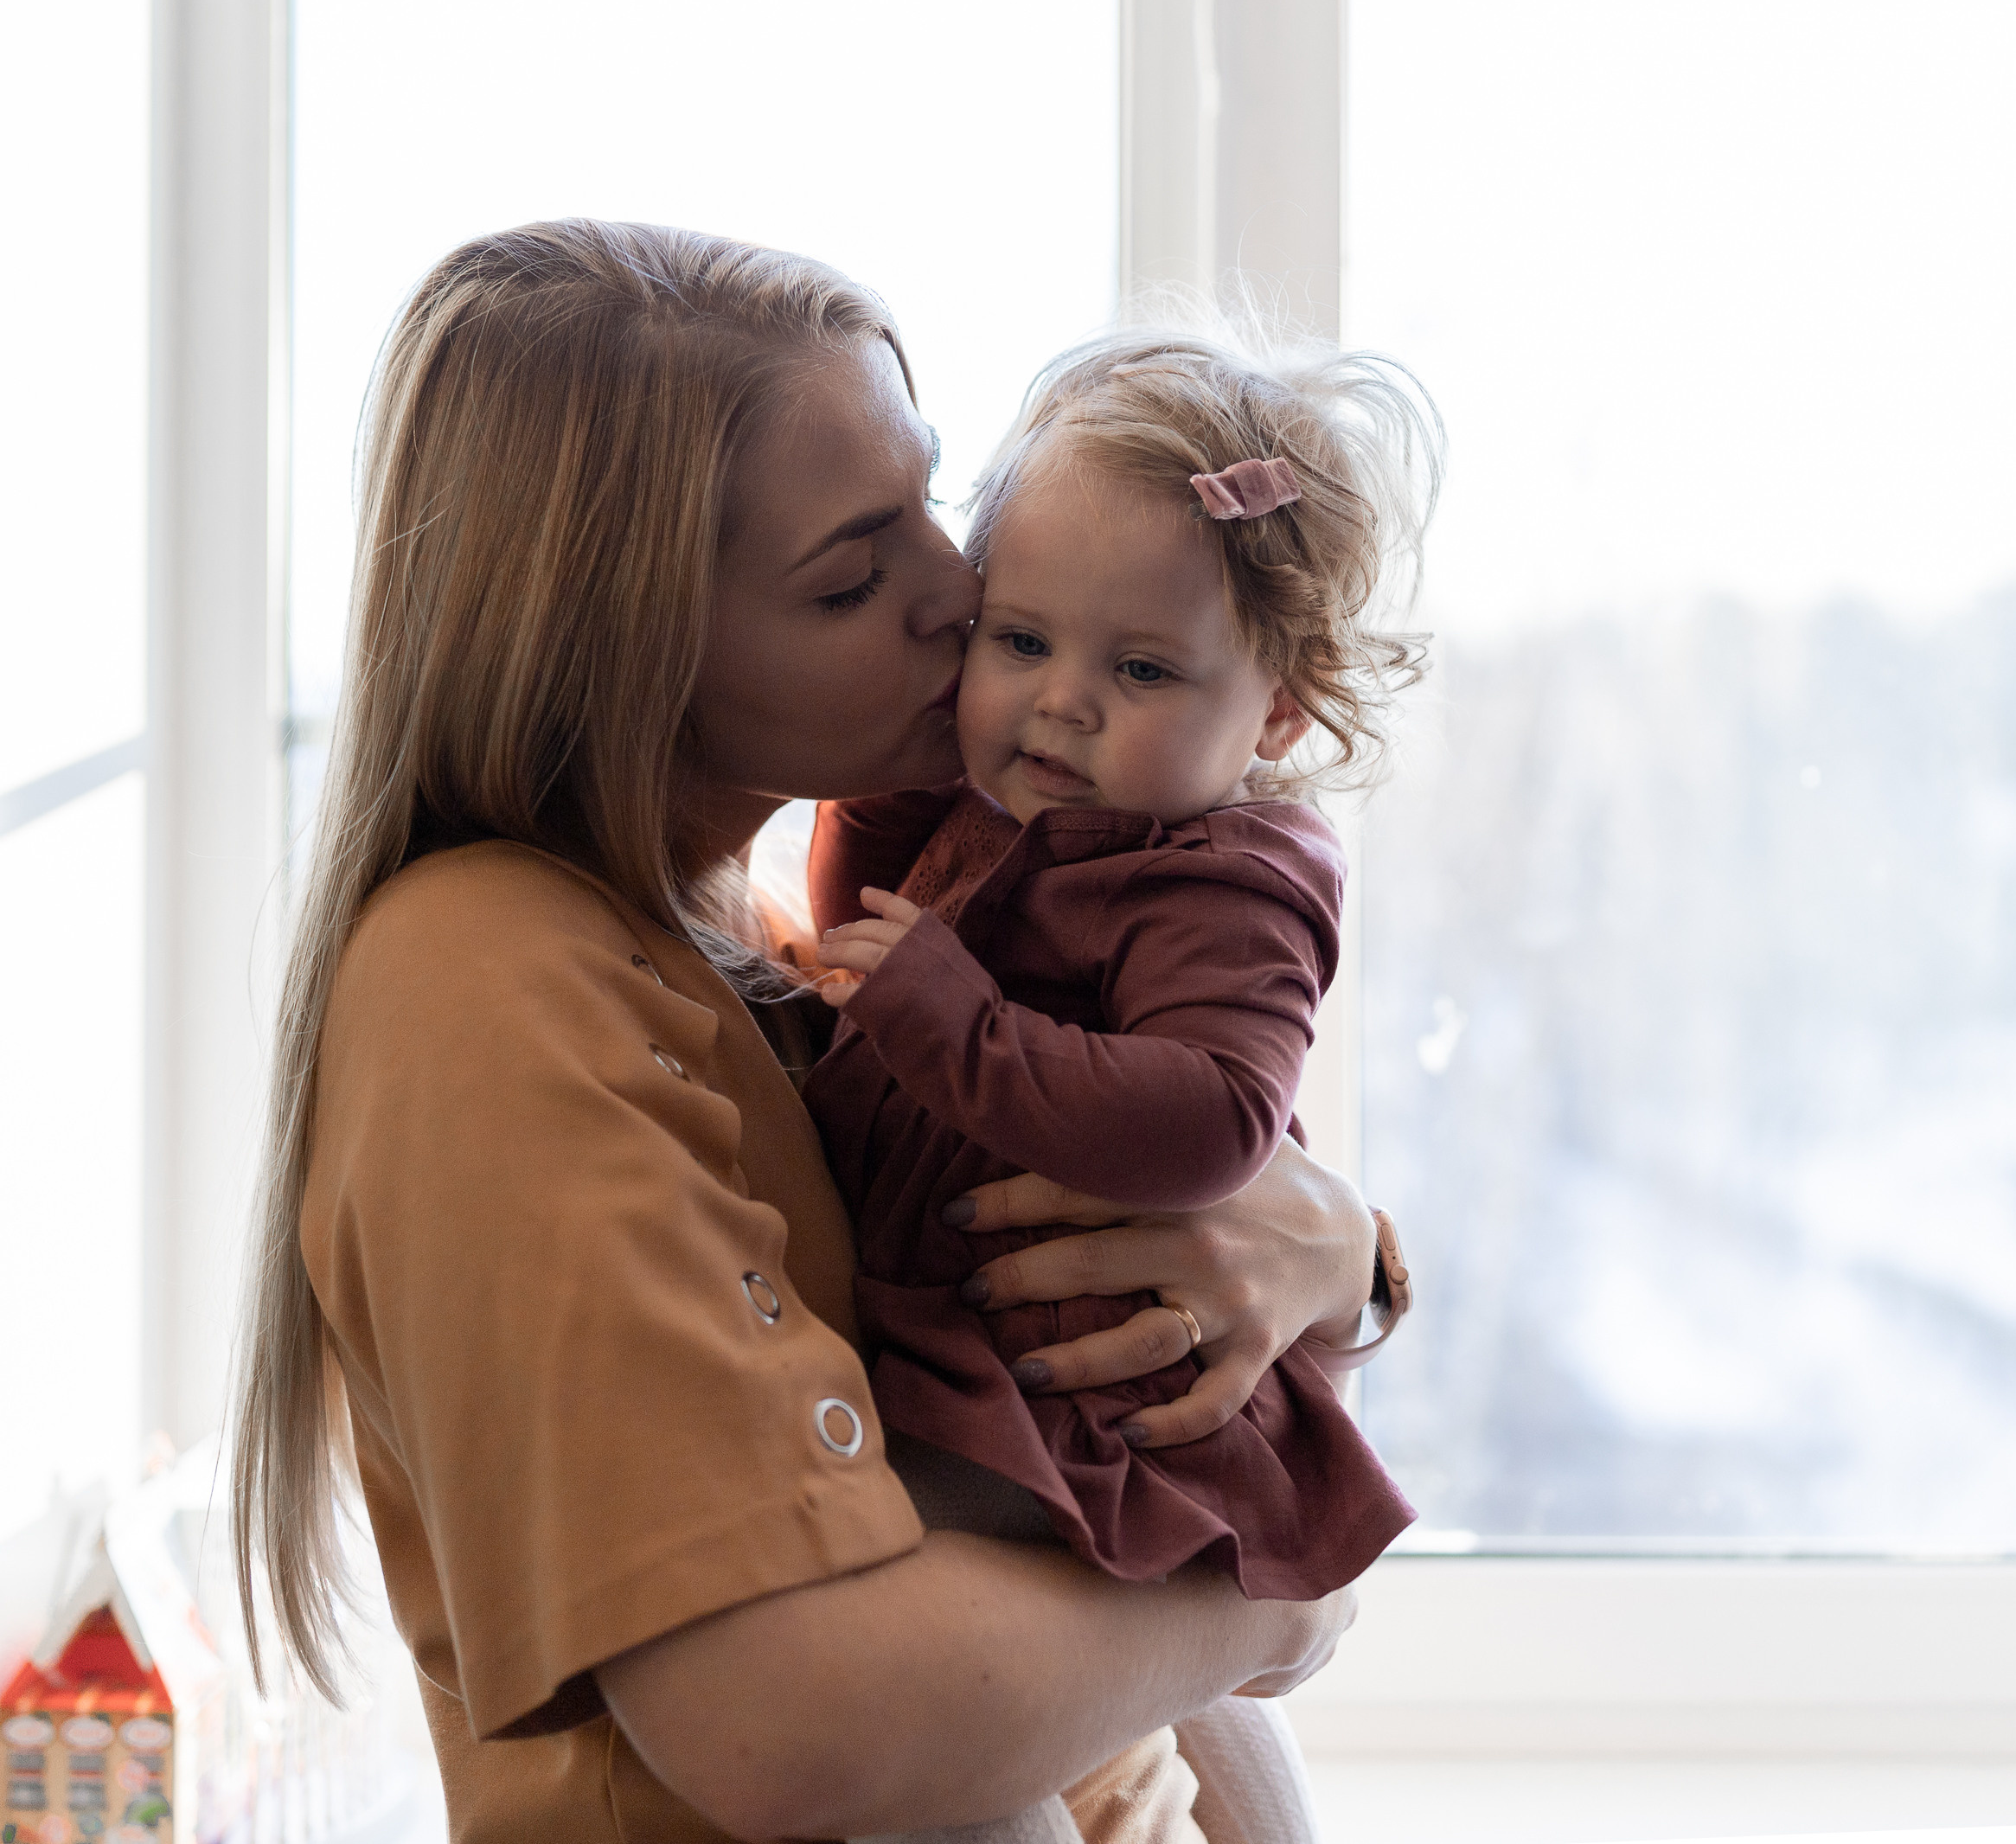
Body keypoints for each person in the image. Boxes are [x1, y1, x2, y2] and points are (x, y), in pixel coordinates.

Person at [230, 221, 1392, 1844]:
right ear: (626, 650)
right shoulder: (488, 985)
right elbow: (788, 1729)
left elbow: (1159, 1138)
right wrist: (1275, 1610)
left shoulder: (769, 934)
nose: (959, 596)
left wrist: (1335, 1250)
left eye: (936, 505)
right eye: (853, 574)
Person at [804, 327, 1437, 1844]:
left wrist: (953, 1024)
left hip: (1088, 1394)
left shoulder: (1233, 883)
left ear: (1279, 713)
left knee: (956, 1684)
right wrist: (882, 789)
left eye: (1141, 668)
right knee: (1075, 1709)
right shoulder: (1016, 799)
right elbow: (862, 928)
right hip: (985, 1355)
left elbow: (1213, 1119)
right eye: (1017, 642)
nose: (1062, 703)